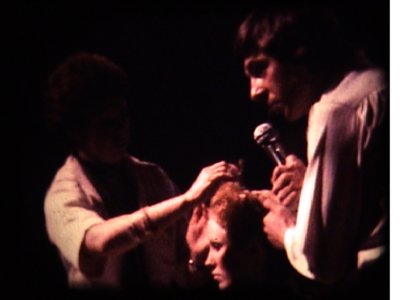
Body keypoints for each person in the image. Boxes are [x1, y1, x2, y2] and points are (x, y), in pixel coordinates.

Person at [43, 52, 239, 291]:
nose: (121, 131)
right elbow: (99, 242)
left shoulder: (153, 178)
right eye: (107, 123)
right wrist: (187, 199)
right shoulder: (62, 193)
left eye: (123, 118)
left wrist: (195, 260)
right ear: (77, 130)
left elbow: (186, 277)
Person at [235, 1, 388, 299]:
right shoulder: (376, 82)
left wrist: (286, 229)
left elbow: (322, 263)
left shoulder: (336, 108)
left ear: (298, 52)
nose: (254, 91)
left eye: (259, 69)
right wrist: (311, 188)